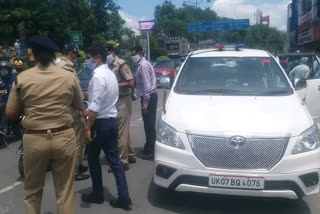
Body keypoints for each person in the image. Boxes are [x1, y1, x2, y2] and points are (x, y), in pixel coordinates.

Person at [6, 35, 84, 214]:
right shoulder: (68, 76)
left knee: (32, 192)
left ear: (33, 54)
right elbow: (79, 105)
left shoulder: (22, 78)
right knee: (64, 191)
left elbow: (10, 114)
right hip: (64, 136)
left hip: (34, 138)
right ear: (53, 55)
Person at [81, 45, 132, 210]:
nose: (87, 61)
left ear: (96, 57)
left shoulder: (97, 76)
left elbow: (95, 106)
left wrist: (88, 127)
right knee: (115, 160)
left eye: (88, 57)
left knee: (93, 158)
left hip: (99, 122)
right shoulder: (110, 73)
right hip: (111, 120)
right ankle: (124, 198)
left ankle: (97, 193)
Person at [56, 44, 90, 181]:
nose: (76, 58)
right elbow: (74, 91)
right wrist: (83, 106)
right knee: (77, 140)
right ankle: (74, 170)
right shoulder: (67, 68)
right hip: (72, 108)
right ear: (72, 53)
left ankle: (79, 164)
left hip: (61, 106)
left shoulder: (56, 64)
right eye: (75, 55)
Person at [106, 44, 136, 172]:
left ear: (112, 52)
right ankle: (130, 155)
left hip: (122, 100)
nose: (105, 55)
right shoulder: (107, 65)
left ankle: (121, 162)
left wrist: (114, 84)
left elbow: (131, 83)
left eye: (107, 52)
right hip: (114, 101)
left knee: (120, 133)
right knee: (124, 131)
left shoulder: (121, 64)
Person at [130, 46, 157, 160]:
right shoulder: (142, 64)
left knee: (149, 125)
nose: (132, 56)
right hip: (148, 97)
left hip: (149, 97)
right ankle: (148, 147)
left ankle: (152, 151)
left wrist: (145, 104)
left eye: (133, 54)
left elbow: (147, 86)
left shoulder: (143, 66)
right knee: (147, 124)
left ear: (140, 54)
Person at [0, 60, 15, 133]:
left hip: (11, 101)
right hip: (2, 100)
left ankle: (3, 129)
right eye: (1, 69)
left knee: (4, 107)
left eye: (5, 69)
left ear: (9, 70)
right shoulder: (0, 79)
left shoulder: (13, 78)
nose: (3, 71)